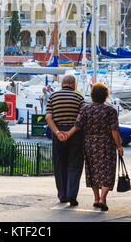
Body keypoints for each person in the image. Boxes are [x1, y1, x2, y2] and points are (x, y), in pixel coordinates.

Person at [60, 82, 124, 212]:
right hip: (106, 144)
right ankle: (103, 199)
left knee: (92, 171)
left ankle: (96, 198)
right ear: (106, 96)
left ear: (92, 95)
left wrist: (67, 134)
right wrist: (119, 146)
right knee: (107, 172)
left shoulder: (85, 109)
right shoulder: (110, 111)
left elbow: (77, 125)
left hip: (90, 144)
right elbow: (114, 131)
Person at [45, 74, 85, 206]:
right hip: (75, 134)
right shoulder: (79, 97)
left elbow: (48, 117)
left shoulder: (53, 96)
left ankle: (62, 195)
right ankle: (72, 195)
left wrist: (57, 133)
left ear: (63, 84)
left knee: (59, 165)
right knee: (74, 165)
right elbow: (81, 118)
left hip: (58, 133)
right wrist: (70, 132)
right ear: (73, 84)